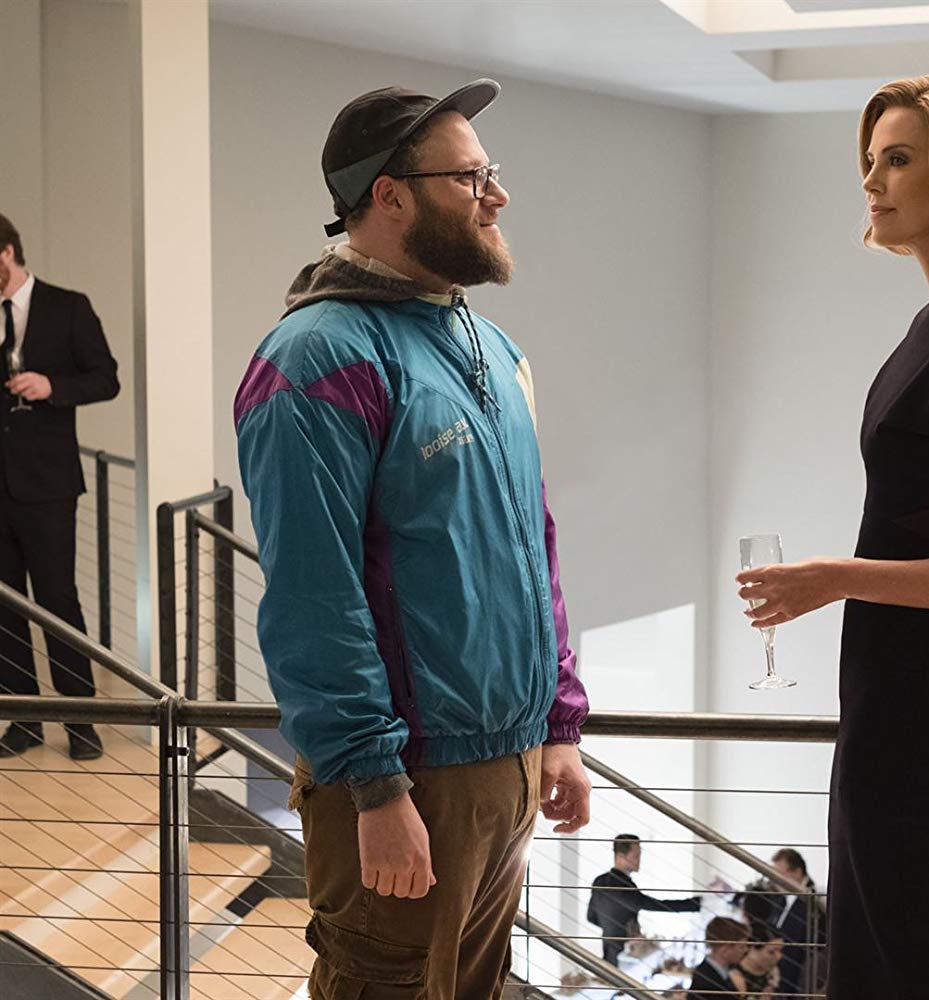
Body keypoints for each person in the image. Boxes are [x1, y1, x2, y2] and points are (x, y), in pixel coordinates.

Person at [235, 80, 591, 1000]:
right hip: (411, 777)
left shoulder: (494, 350)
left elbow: (533, 546)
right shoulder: (315, 360)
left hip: (507, 764)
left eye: (489, 172)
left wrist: (557, 724)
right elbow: (313, 596)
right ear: (389, 195)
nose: (496, 195)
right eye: (469, 177)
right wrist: (375, 787)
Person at [735, 74, 929, 999]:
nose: (873, 181)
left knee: (903, 969)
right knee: (880, 959)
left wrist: (833, 576)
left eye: (901, 159)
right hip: (903, 688)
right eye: (872, 160)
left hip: (924, 698)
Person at [0, 212, 119, 762]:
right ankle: (23, 720)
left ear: (7, 252)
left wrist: (53, 386)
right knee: (4, 608)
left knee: (57, 601)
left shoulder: (68, 307)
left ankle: (81, 723)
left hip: (48, 486)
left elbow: (106, 378)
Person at [588, 833, 703, 966]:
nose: (639, 861)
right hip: (625, 954)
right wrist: (697, 904)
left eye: (640, 855)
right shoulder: (621, 885)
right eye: (636, 856)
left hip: (609, 952)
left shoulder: (599, 881)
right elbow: (650, 904)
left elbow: (591, 917)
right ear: (620, 857)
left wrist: (611, 931)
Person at [769, 847, 825, 994]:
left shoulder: (815, 901)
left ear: (797, 872)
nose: (775, 880)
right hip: (778, 980)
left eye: (780, 874)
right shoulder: (780, 899)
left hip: (801, 982)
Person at [688, 917, 751, 998]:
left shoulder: (724, 973)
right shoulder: (705, 981)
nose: (746, 950)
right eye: (741, 947)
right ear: (724, 950)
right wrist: (741, 995)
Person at [731, 923, 784, 998]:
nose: (779, 957)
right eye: (771, 952)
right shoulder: (736, 977)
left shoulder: (775, 973)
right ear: (751, 949)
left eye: (780, 951)